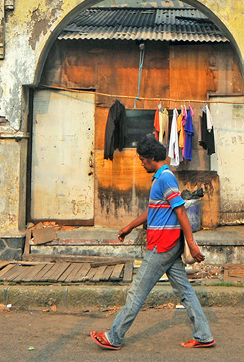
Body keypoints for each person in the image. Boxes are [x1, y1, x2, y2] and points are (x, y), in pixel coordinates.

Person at [91, 135, 215, 350]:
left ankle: (114, 337)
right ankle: (204, 335)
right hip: (167, 244)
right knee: (185, 291)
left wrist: (192, 243)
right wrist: (129, 227)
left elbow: (180, 210)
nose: (140, 162)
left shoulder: (165, 178)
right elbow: (152, 210)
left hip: (162, 246)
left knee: (136, 293)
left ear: (150, 158)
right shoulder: (160, 178)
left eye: (141, 159)